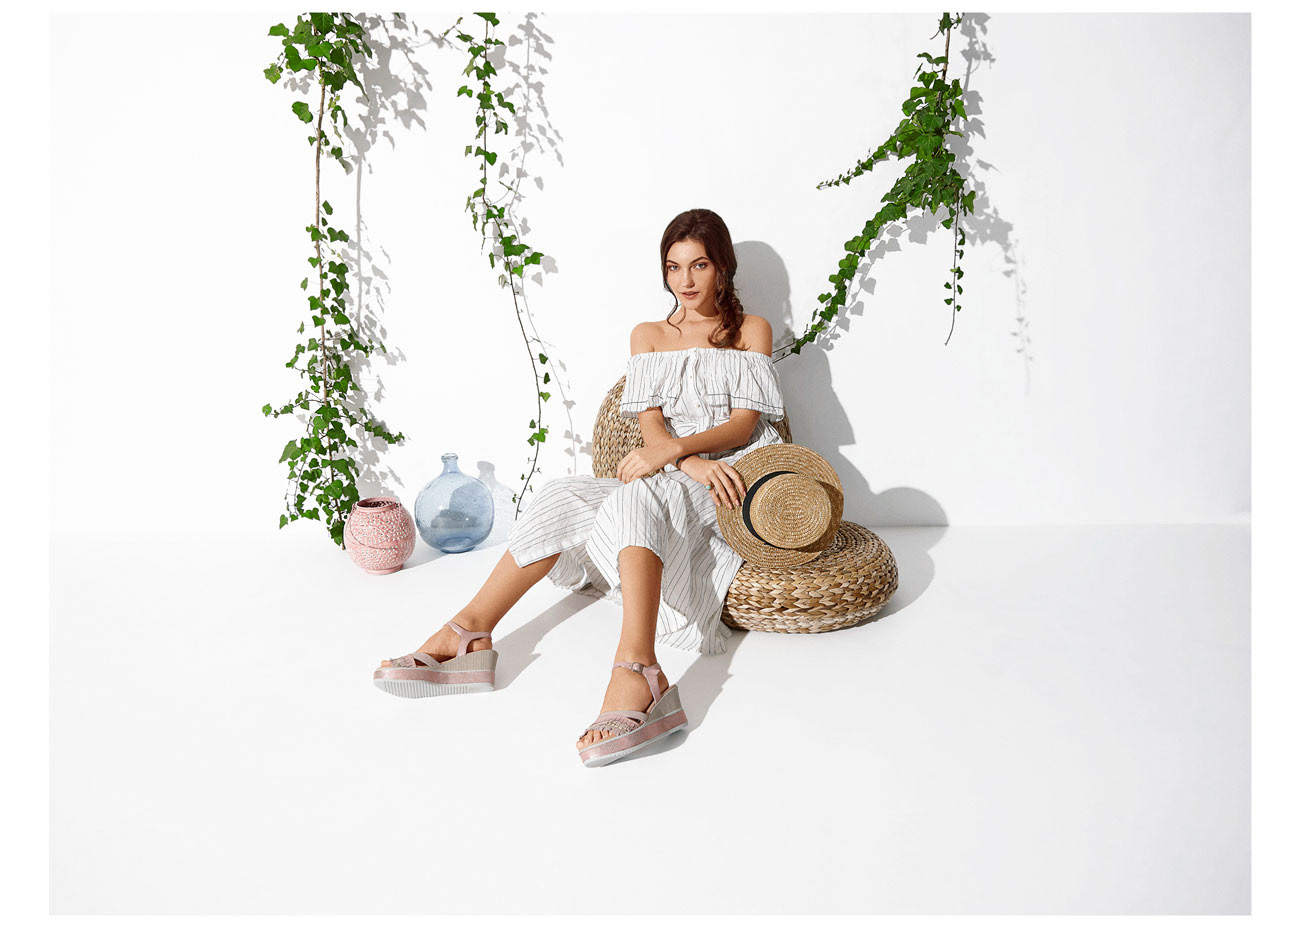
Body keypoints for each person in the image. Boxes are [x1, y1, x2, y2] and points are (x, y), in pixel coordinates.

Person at [374, 208, 786, 759]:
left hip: (727, 478)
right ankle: (470, 631)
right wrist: (679, 459)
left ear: (723, 268)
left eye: (700, 265)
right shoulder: (648, 335)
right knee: (561, 494)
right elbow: (650, 425)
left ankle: (638, 669)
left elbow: (742, 425)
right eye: (673, 267)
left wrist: (675, 454)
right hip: (678, 471)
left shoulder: (751, 329)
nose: (685, 281)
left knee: (640, 494)